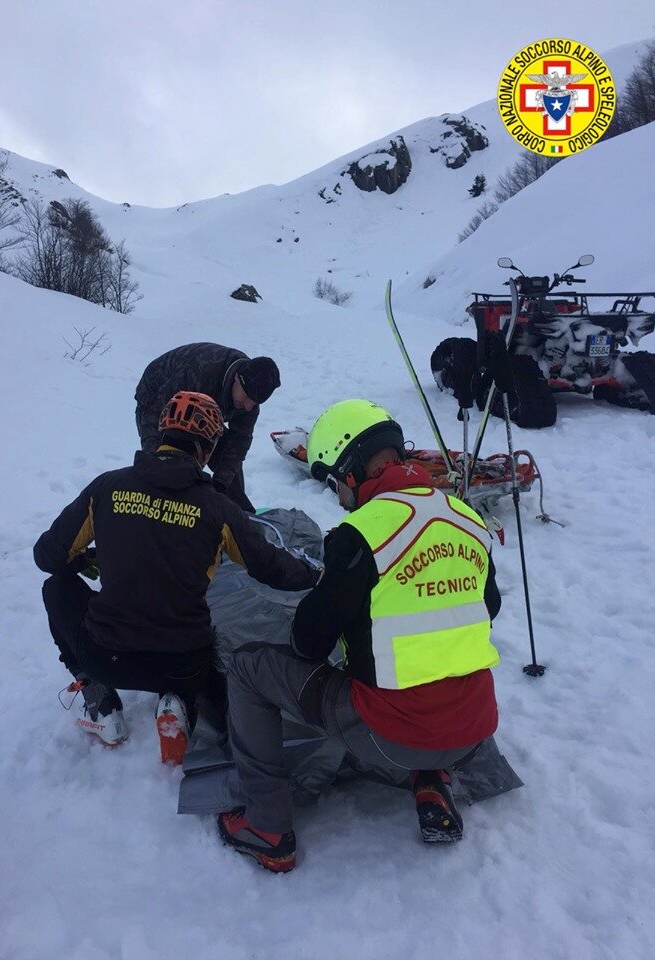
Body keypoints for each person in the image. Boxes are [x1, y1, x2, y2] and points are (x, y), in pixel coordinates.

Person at [218, 399, 502, 872]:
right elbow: (487, 608)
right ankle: (433, 781)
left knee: (248, 667)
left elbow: (308, 642)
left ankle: (267, 828)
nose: (339, 499)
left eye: (334, 485)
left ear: (350, 475)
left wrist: (340, 595)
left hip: (393, 736)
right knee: (425, 666)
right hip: (474, 731)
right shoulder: (466, 519)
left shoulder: (360, 534)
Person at [34, 391, 318, 762]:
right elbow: (270, 567)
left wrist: (86, 558)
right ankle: (176, 702)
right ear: (208, 448)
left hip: (107, 655)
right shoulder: (218, 507)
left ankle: (99, 698)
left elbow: (47, 557)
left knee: (56, 588)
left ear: (161, 435)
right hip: (185, 665)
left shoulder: (107, 488)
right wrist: (315, 572)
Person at [134, 343, 281, 513]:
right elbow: (158, 415)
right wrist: (156, 461)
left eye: (255, 403)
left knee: (227, 458)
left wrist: (220, 484)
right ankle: (157, 515)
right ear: (237, 378)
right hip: (158, 399)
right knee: (165, 464)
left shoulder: (251, 395)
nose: (248, 407)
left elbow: (238, 443)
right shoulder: (200, 371)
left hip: (206, 409)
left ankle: (240, 515)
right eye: (247, 398)